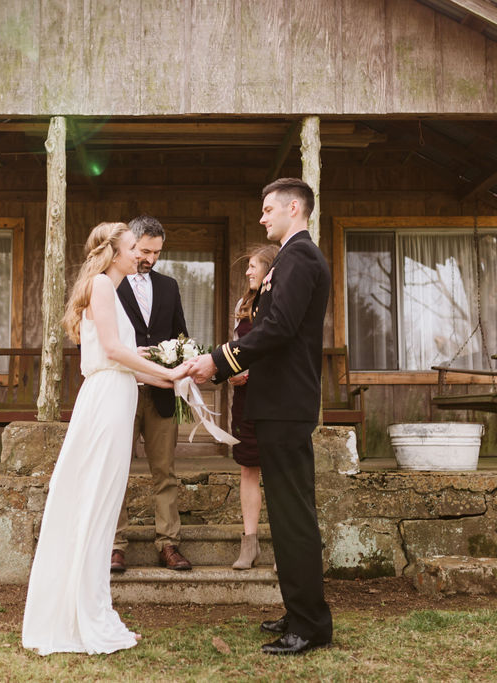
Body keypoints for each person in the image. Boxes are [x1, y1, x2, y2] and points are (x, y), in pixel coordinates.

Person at [21, 222, 192, 656]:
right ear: (114, 251)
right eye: (134, 247)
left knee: (105, 500)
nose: (141, 254)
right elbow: (115, 353)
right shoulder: (100, 285)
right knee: (95, 501)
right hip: (106, 400)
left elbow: (127, 364)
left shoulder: (108, 289)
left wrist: (173, 374)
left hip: (120, 392)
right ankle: (83, 617)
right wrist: (168, 370)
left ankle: (95, 612)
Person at [188, 179, 333, 656]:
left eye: (269, 210)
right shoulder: (291, 258)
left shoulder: (300, 257)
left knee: (294, 515)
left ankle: (310, 626)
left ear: (295, 208)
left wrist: (221, 359)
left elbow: (279, 327)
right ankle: (300, 613)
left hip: (287, 404)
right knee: (287, 512)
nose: (262, 218)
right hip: (278, 403)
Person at [111, 215, 193, 572]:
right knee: (115, 471)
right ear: (130, 243)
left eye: (157, 252)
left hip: (161, 394)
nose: (151, 259)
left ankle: (169, 544)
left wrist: (184, 359)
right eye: (145, 250)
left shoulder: (170, 286)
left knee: (165, 472)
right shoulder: (107, 284)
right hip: (120, 390)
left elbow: (180, 334)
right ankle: (114, 544)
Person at [228, 244, 279, 570]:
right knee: (249, 469)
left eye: (253, 266)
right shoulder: (243, 304)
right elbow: (238, 346)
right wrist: (231, 371)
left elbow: (281, 348)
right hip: (245, 400)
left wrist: (255, 373)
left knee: (277, 473)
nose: (248, 271)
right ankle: (250, 544)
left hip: (274, 398)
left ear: (269, 269)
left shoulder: (279, 302)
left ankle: (282, 547)